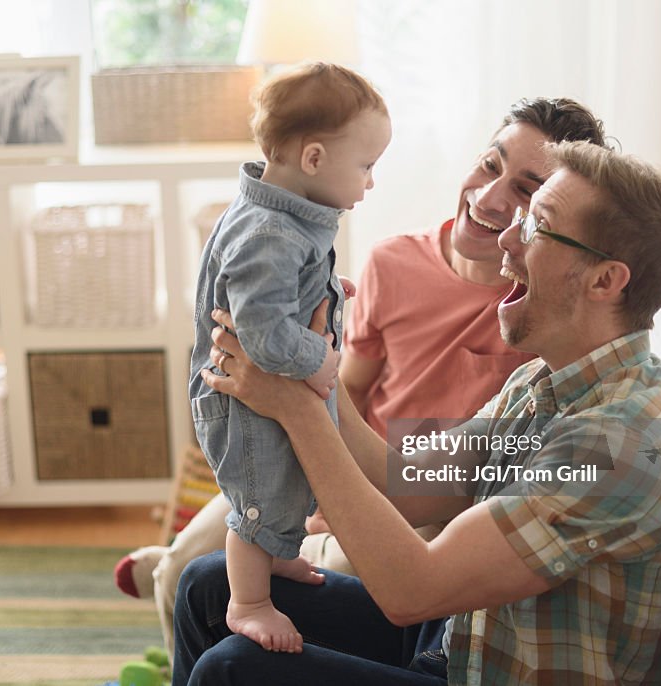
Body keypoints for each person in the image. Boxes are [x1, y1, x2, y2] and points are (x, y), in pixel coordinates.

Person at [174, 140, 661, 685]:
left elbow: (414, 589)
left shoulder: (619, 448)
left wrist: (296, 409)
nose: (506, 237)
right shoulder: (546, 380)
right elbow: (404, 483)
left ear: (605, 280)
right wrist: (309, 365)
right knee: (207, 586)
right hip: (460, 646)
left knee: (233, 670)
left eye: (536, 227)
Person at [115, 96, 612, 656]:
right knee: (186, 570)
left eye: (526, 190)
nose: (490, 197)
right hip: (332, 448)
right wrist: (313, 447)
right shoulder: (392, 261)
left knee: (297, 570)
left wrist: (332, 477)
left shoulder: (534, 315)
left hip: (420, 498)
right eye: (490, 165)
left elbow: (437, 486)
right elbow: (346, 386)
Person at [187, 61, 392, 653]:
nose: (371, 183)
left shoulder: (282, 219)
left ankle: (274, 562)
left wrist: (325, 289)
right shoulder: (271, 232)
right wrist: (319, 358)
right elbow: (264, 330)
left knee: (286, 488)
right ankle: (247, 601)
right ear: (314, 160)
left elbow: (277, 291)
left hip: (265, 397)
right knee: (261, 496)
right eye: (367, 166)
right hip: (245, 405)